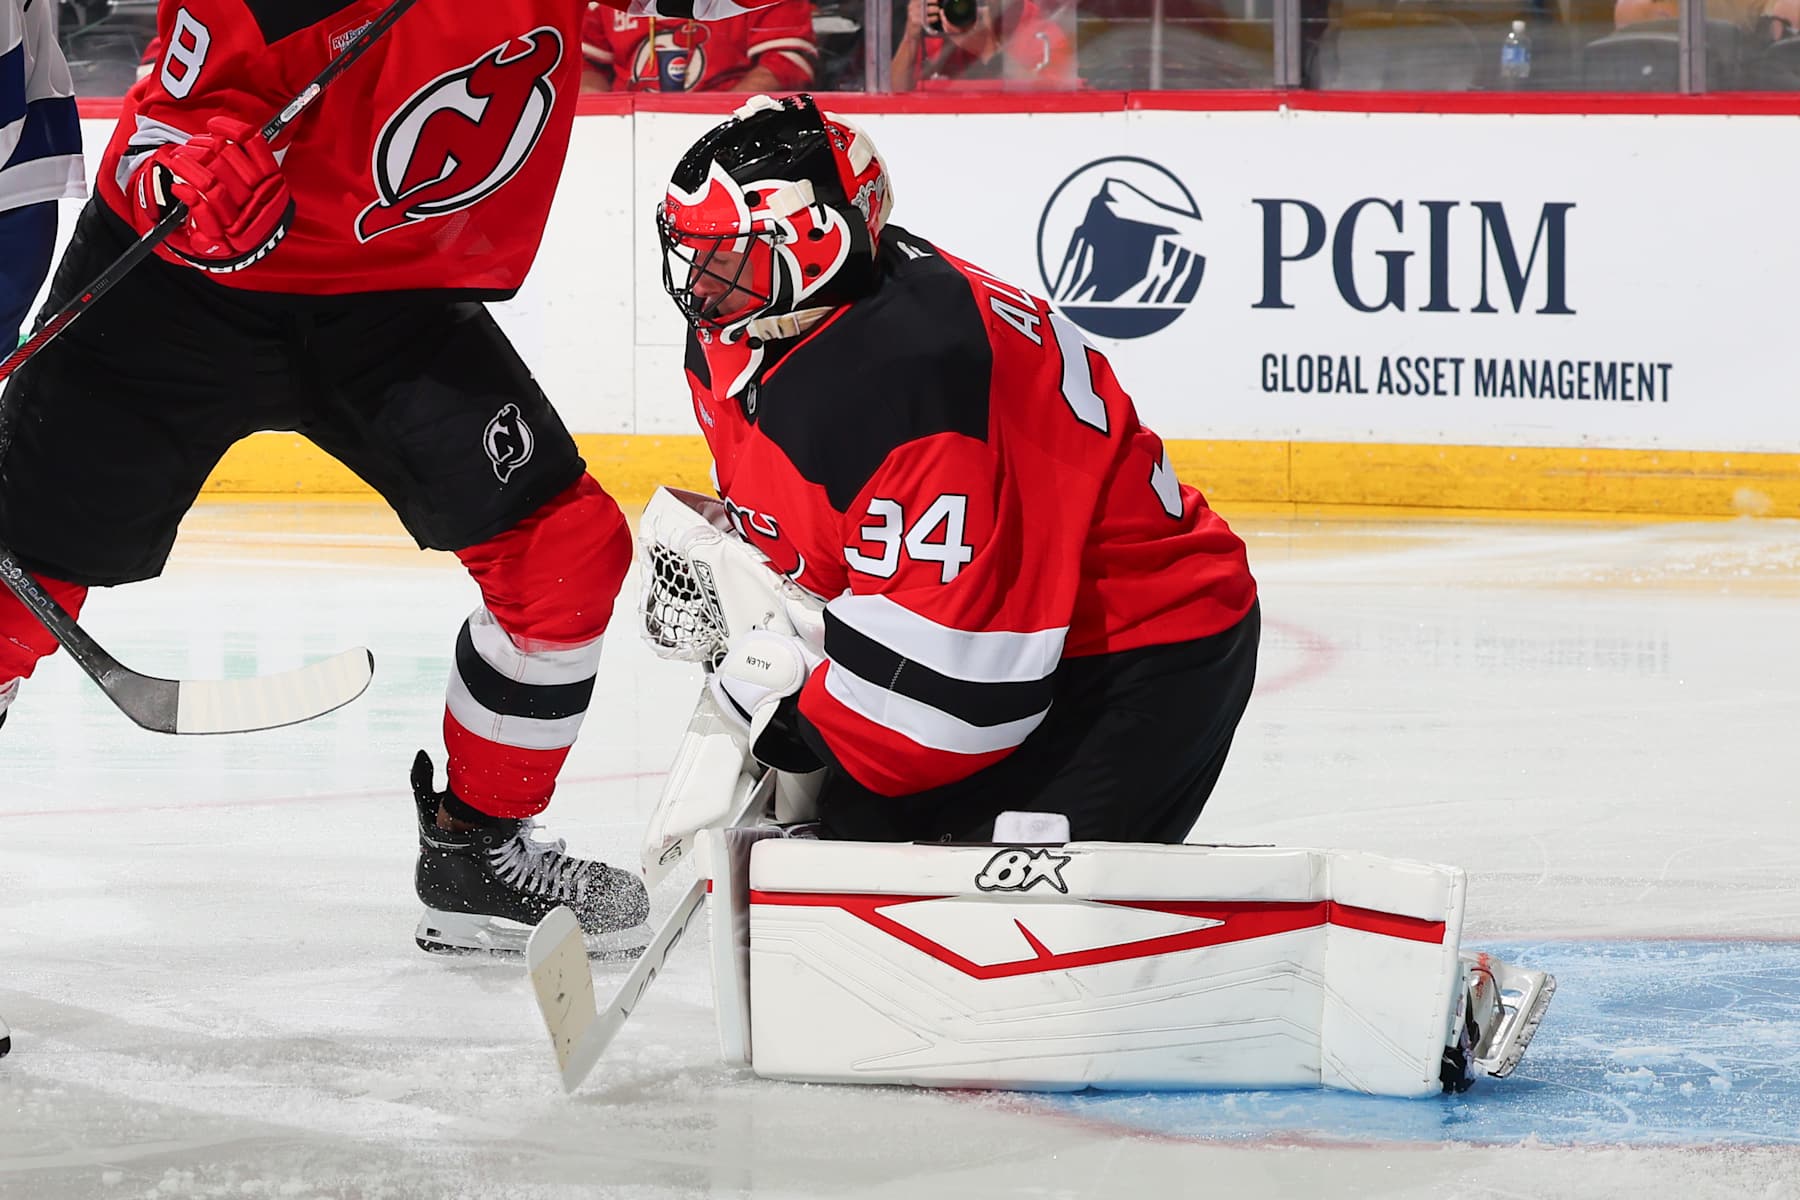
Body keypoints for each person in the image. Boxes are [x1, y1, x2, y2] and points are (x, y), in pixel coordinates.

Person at [0, 0, 785, 959]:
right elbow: (164, 122)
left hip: (385, 296)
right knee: (11, 587)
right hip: (180, 292)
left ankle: (476, 856)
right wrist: (183, 169)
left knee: (564, 555)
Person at [656, 94, 1260, 844]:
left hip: (1138, 650)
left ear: (812, 247)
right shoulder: (757, 333)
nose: (703, 284)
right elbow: (842, 534)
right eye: (698, 252)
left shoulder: (913, 380)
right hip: (1013, 625)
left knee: (990, 911)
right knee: (849, 850)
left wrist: (796, 721)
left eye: (730, 255)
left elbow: (957, 707)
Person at [580, 0, 816, 93]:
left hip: (731, 136)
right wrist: (605, 120)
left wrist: (720, 120)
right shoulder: (604, 5)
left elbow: (784, 65)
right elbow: (582, 67)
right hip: (628, 133)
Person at [891, 0, 1074, 90]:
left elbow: (1054, 102)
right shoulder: (941, 27)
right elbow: (895, 93)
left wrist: (986, 51)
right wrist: (911, 35)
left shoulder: (1041, 31)